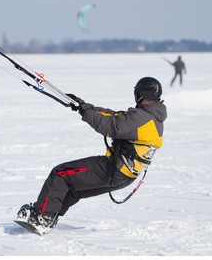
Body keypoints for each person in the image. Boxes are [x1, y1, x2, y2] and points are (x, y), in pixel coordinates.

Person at [16, 77, 167, 234]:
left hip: (113, 169)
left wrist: (86, 113)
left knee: (60, 174)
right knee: (72, 188)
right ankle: (50, 217)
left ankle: (42, 217)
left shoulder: (142, 117)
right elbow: (114, 116)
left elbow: (109, 126)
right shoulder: (151, 117)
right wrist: (84, 106)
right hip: (125, 175)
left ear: (140, 94)